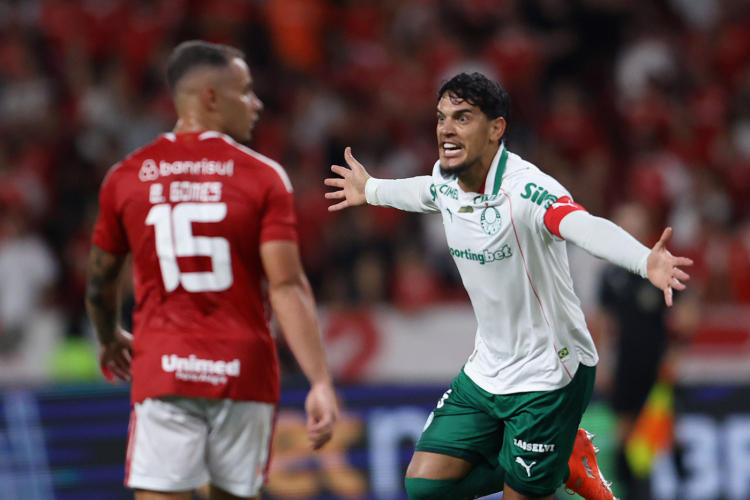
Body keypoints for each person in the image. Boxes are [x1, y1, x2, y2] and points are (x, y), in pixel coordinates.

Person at [324, 72, 692, 500]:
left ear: (496, 128)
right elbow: (425, 192)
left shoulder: (527, 191)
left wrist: (643, 260)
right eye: (442, 117)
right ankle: (563, 457)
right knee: (424, 486)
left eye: (462, 118)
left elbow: (582, 225)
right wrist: (371, 189)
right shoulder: (447, 180)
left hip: (549, 372)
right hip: (488, 367)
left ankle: (555, 456)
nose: (446, 129)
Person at [86, 41, 338, 500]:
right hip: (242, 372)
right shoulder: (262, 176)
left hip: (164, 368)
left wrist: (108, 336)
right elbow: (286, 286)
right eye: (246, 91)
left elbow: (100, 282)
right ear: (211, 97)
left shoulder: (127, 176)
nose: (256, 104)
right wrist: (319, 380)